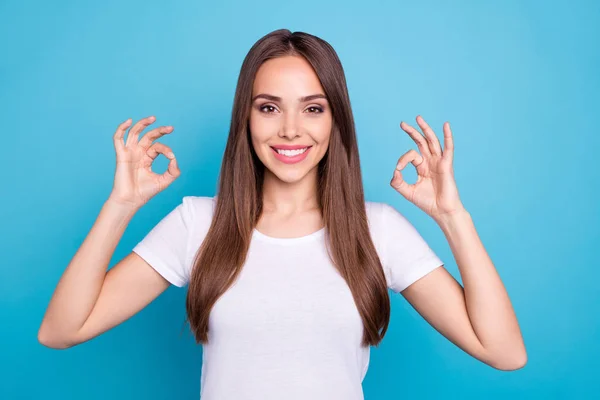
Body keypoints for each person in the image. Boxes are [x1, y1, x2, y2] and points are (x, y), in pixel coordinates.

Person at [38, 29, 527, 399]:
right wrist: (120, 206)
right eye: (269, 108)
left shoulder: (377, 230)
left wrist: (452, 216)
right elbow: (61, 330)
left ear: (335, 119)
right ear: (246, 118)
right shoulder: (197, 225)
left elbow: (504, 352)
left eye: (313, 109)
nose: (291, 130)